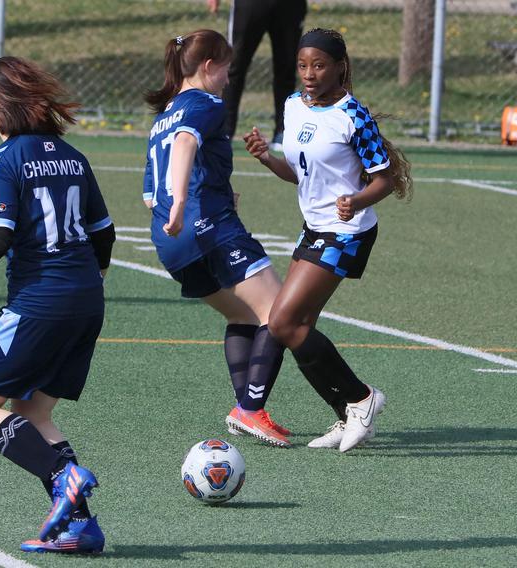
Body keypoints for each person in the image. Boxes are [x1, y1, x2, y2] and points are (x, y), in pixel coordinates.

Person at [0, 57, 116, 554]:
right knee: (33, 411)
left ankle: (62, 476)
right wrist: (85, 283)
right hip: (87, 300)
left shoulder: (2, 159)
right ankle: (82, 528)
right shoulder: (73, 156)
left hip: (39, 302)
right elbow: (105, 234)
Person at [243, 28, 413, 452]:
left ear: (340, 67)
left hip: (347, 232)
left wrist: (355, 201)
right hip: (314, 228)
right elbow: (297, 172)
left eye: (319, 65)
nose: (309, 74)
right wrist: (267, 157)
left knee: (283, 323)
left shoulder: (353, 115)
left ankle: (361, 398)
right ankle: (346, 415)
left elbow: (385, 180)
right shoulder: (293, 107)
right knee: (299, 325)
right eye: (303, 65)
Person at [143, 29, 294, 447]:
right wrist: (181, 205)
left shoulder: (163, 117)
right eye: (227, 69)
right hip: (209, 227)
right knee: (280, 314)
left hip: (171, 244)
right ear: (208, 67)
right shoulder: (204, 103)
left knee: (242, 317)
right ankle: (249, 409)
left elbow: (148, 192)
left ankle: (247, 407)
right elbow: (186, 141)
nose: (229, 79)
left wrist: (179, 208)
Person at [207, 0, 308, 149]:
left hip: (289, 6)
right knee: (233, 65)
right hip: (251, 4)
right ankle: (224, 131)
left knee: (286, 67)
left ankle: (282, 131)